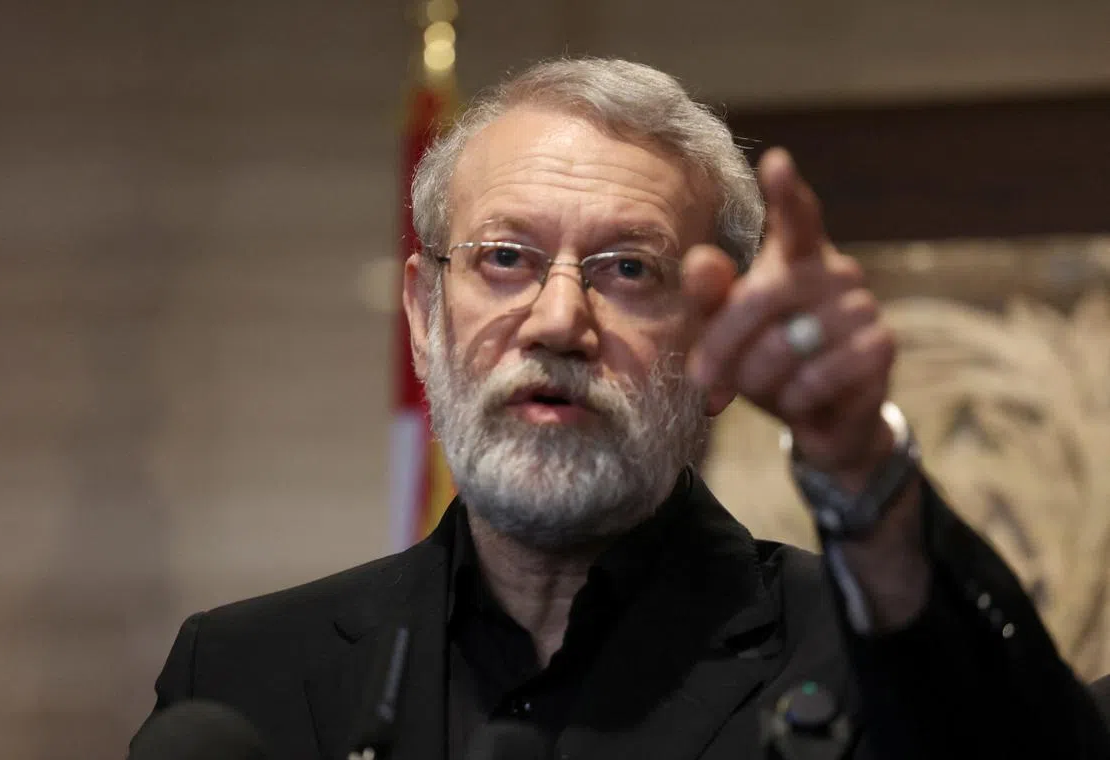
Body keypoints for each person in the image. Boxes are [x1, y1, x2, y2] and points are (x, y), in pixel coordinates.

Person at [133, 58, 1110, 759]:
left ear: (719, 348)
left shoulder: (864, 666)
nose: (558, 320)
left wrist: (865, 471)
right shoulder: (244, 679)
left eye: (629, 270)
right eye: (506, 257)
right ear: (424, 318)